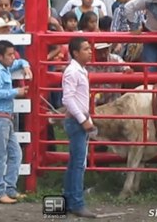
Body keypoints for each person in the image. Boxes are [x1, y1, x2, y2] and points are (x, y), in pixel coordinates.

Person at [0, 40, 32, 204]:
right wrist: (16, 91)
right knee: (1, 155)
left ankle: (8, 189)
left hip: (3, 117)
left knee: (14, 153)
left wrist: (24, 64)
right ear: (0, 56)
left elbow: (19, 61)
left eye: (13, 54)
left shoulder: (2, 68)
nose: (13, 58)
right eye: (10, 55)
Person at [62, 37, 97, 218]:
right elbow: (67, 98)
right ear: (75, 53)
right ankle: (76, 202)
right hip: (77, 121)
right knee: (77, 164)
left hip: (77, 119)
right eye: (85, 49)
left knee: (74, 162)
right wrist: (84, 119)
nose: (90, 51)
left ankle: (69, 200)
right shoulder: (74, 72)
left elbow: (71, 99)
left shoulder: (77, 70)